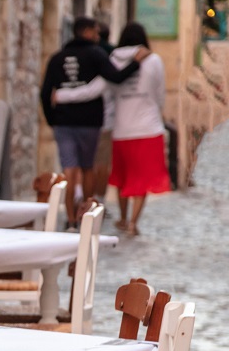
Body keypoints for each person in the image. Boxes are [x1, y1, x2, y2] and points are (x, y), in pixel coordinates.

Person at [54, 22, 169, 236]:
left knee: (123, 177)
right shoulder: (153, 60)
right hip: (149, 127)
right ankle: (134, 222)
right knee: (141, 179)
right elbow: (160, 94)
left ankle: (123, 218)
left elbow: (93, 90)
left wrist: (61, 95)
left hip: (122, 128)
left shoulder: (113, 60)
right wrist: (156, 112)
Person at [40, 17, 147, 229]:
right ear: (88, 32)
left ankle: (70, 219)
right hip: (90, 121)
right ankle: (85, 217)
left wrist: (52, 120)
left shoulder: (57, 58)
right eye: (95, 32)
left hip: (64, 121)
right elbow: (115, 78)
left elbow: (45, 93)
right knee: (88, 168)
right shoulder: (96, 55)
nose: (98, 37)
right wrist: (136, 63)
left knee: (69, 170)